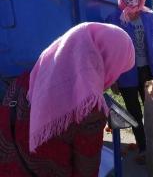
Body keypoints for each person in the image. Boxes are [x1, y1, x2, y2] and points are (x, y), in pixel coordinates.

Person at [0, 22, 135, 177]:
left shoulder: (29, 79)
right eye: (119, 69)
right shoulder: (89, 110)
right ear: (106, 61)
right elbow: (86, 171)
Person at [106, 0, 153, 164]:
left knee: (152, 109)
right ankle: (143, 147)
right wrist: (113, 77)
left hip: (147, 70)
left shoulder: (148, 16)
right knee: (134, 112)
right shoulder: (114, 18)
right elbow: (110, 51)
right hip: (125, 73)